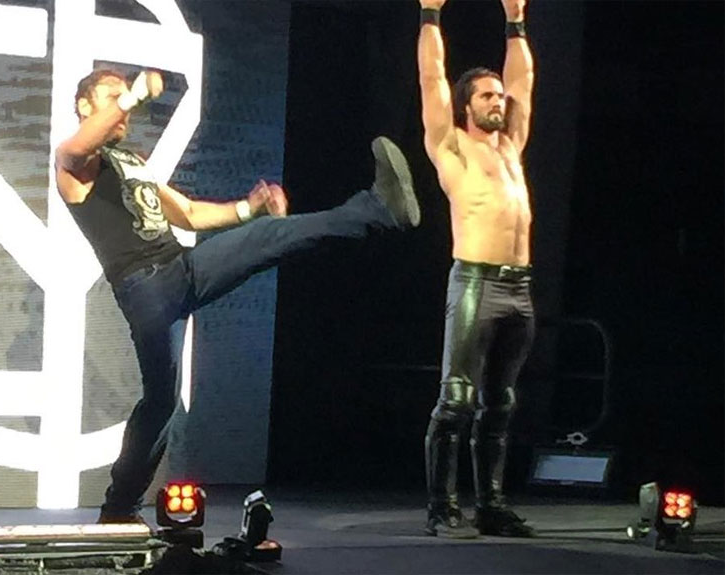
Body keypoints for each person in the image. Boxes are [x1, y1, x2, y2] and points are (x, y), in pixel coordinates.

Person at [55, 67, 421, 523]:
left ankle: (118, 510)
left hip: (177, 272)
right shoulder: (73, 165)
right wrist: (133, 96)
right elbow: (74, 149)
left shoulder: (129, 160)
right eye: (111, 97)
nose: (122, 108)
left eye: (123, 98)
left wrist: (250, 208)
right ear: (85, 106)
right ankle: (377, 207)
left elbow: (189, 213)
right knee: (268, 242)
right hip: (148, 286)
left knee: (161, 403)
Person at [418, 0, 537, 538]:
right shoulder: (453, 148)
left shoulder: (511, 147)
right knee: (457, 400)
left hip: (519, 287)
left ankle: (491, 504)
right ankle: (442, 509)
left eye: (499, 95)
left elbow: (524, 80)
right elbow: (431, 78)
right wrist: (429, 13)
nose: (499, 101)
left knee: (501, 403)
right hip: (475, 282)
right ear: (467, 105)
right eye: (487, 95)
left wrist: (515, 19)